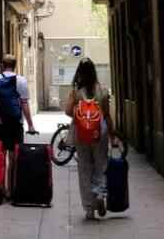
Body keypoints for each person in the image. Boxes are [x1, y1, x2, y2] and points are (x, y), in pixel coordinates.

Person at [65, 57, 116, 220]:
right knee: (101, 165)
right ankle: (100, 194)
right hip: (99, 133)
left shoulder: (76, 92)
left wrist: (80, 113)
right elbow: (107, 115)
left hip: (82, 134)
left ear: (79, 73)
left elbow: (67, 111)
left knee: (84, 168)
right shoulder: (102, 91)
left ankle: (89, 208)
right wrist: (112, 135)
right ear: (94, 72)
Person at [0, 54, 36, 197]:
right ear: (15, 66)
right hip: (16, 124)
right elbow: (24, 104)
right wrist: (30, 125)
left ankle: (0, 188)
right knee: (14, 157)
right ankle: (11, 190)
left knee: (0, 157)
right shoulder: (21, 81)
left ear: (2, 65)